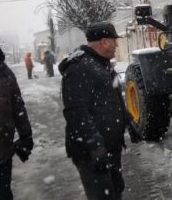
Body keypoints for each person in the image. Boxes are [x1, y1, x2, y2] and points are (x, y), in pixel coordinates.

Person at [59, 22, 141, 200]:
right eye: (114, 41)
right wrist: (95, 148)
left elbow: (114, 100)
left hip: (109, 147)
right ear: (104, 42)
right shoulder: (79, 68)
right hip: (91, 153)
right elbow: (76, 113)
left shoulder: (101, 64)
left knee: (116, 190)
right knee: (103, 196)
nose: (117, 45)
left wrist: (128, 122)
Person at [0, 45, 34, 200]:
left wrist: (26, 135)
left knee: (2, 193)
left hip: (2, 148)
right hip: (2, 146)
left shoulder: (4, 73)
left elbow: (18, 106)